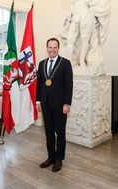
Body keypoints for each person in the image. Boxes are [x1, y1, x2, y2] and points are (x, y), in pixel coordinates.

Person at [36, 38, 73, 172]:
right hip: (45, 104)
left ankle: (59, 159)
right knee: (49, 132)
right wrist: (38, 101)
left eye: (55, 47)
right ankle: (51, 157)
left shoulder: (65, 63)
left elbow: (69, 86)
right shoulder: (41, 64)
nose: (52, 49)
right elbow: (39, 84)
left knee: (60, 132)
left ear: (58, 48)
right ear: (47, 48)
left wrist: (67, 103)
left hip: (60, 105)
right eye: (50, 47)